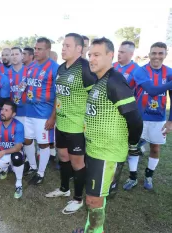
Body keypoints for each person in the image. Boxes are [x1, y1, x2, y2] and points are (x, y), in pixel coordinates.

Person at [73, 37, 143, 233]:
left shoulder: (114, 81)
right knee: (96, 196)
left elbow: (135, 119)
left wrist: (133, 145)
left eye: (97, 55)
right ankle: (92, 229)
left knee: (94, 198)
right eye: (90, 55)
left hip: (108, 153)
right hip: (95, 149)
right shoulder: (99, 81)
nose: (92, 59)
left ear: (110, 56)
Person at [46, 33, 97, 214]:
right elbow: (58, 95)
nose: (63, 48)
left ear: (79, 48)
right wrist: (53, 117)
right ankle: (63, 188)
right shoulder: (60, 68)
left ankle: (77, 199)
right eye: (63, 45)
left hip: (77, 126)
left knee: (77, 163)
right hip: (61, 124)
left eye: (68, 45)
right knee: (63, 157)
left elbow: (96, 97)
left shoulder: (85, 68)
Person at [123, 42, 172, 191]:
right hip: (139, 118)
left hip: (159, 119)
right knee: (133, 148)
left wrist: (170, 121)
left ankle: (149, 175)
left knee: (155, 148)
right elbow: (152, 90)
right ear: (149, 54)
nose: (157, 56)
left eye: (160, 53)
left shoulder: (169, 73)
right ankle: (132, 177)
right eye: (154, 53)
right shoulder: (140, 71)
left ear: (165, 54)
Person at [23, 37, 59, 185]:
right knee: (27, 140)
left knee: (43, 144)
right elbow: (27, 85)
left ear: (47, 50)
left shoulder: (55, 68)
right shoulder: (30, 67)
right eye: (35, 49)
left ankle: (41, 173)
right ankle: (32, 166)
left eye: (39, 49)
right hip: (29, 111)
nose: (36, 51)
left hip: (44, 113)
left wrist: (53, 117)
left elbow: (59, 95)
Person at [0, 101, 25, 199]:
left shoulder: (18, 125)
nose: (2, 112)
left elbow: (18, 147)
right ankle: (5, 169)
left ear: (13, 114)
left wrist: (3, 152)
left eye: (6, 110)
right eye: (2, 109)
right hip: (1, 154)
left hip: (13, 153)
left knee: (16, 157)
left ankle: (19, 184)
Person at [6, 47, 29, 125]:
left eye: (17, 54)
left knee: (27, 137)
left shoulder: (29, 71)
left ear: (22, 56)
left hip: (27, 112)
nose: (14, 56)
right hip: (12, 112)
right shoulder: (6, 74)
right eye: (12, 54)